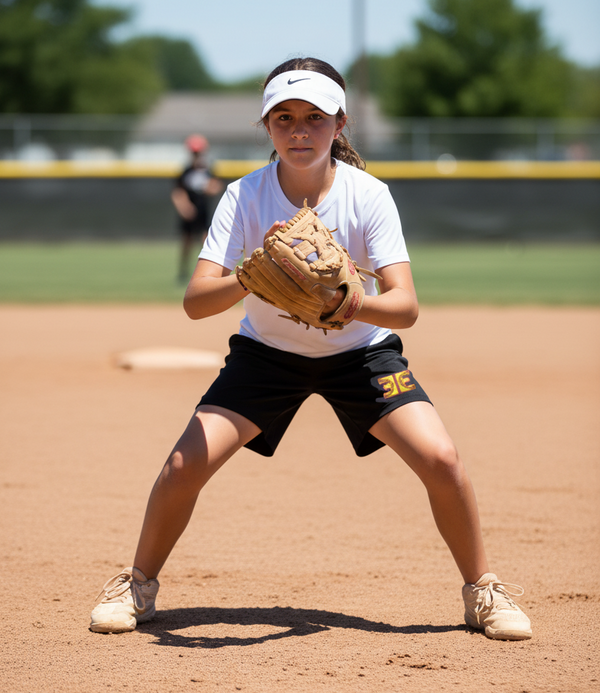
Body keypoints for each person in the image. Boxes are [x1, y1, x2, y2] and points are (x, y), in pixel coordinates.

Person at [91, 58, 532, 641]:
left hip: (360, 355)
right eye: (285, 117)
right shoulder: (244, 197)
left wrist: (345, 305)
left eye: (314, 119)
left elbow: (405, 307)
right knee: (182, 466)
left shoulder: (368, 196)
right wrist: (255, 275)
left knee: (443, 461)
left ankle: (482, 592)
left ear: (339, 125)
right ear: (267, 126)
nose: (300, 131)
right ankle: (138, 585)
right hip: (266, 356)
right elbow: (197, 302)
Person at [171, 134, 223, 281]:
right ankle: (183, 273)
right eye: (194, 153)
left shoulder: (208, 170)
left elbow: (217, 186)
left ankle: (207, 273)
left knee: (206, 243)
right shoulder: (186, 171)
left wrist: (209, 188)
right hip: (189, 214)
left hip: (203, 212)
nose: (196, 155)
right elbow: (178, 192)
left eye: (198, 153)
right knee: (186, 243)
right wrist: (184, 207)